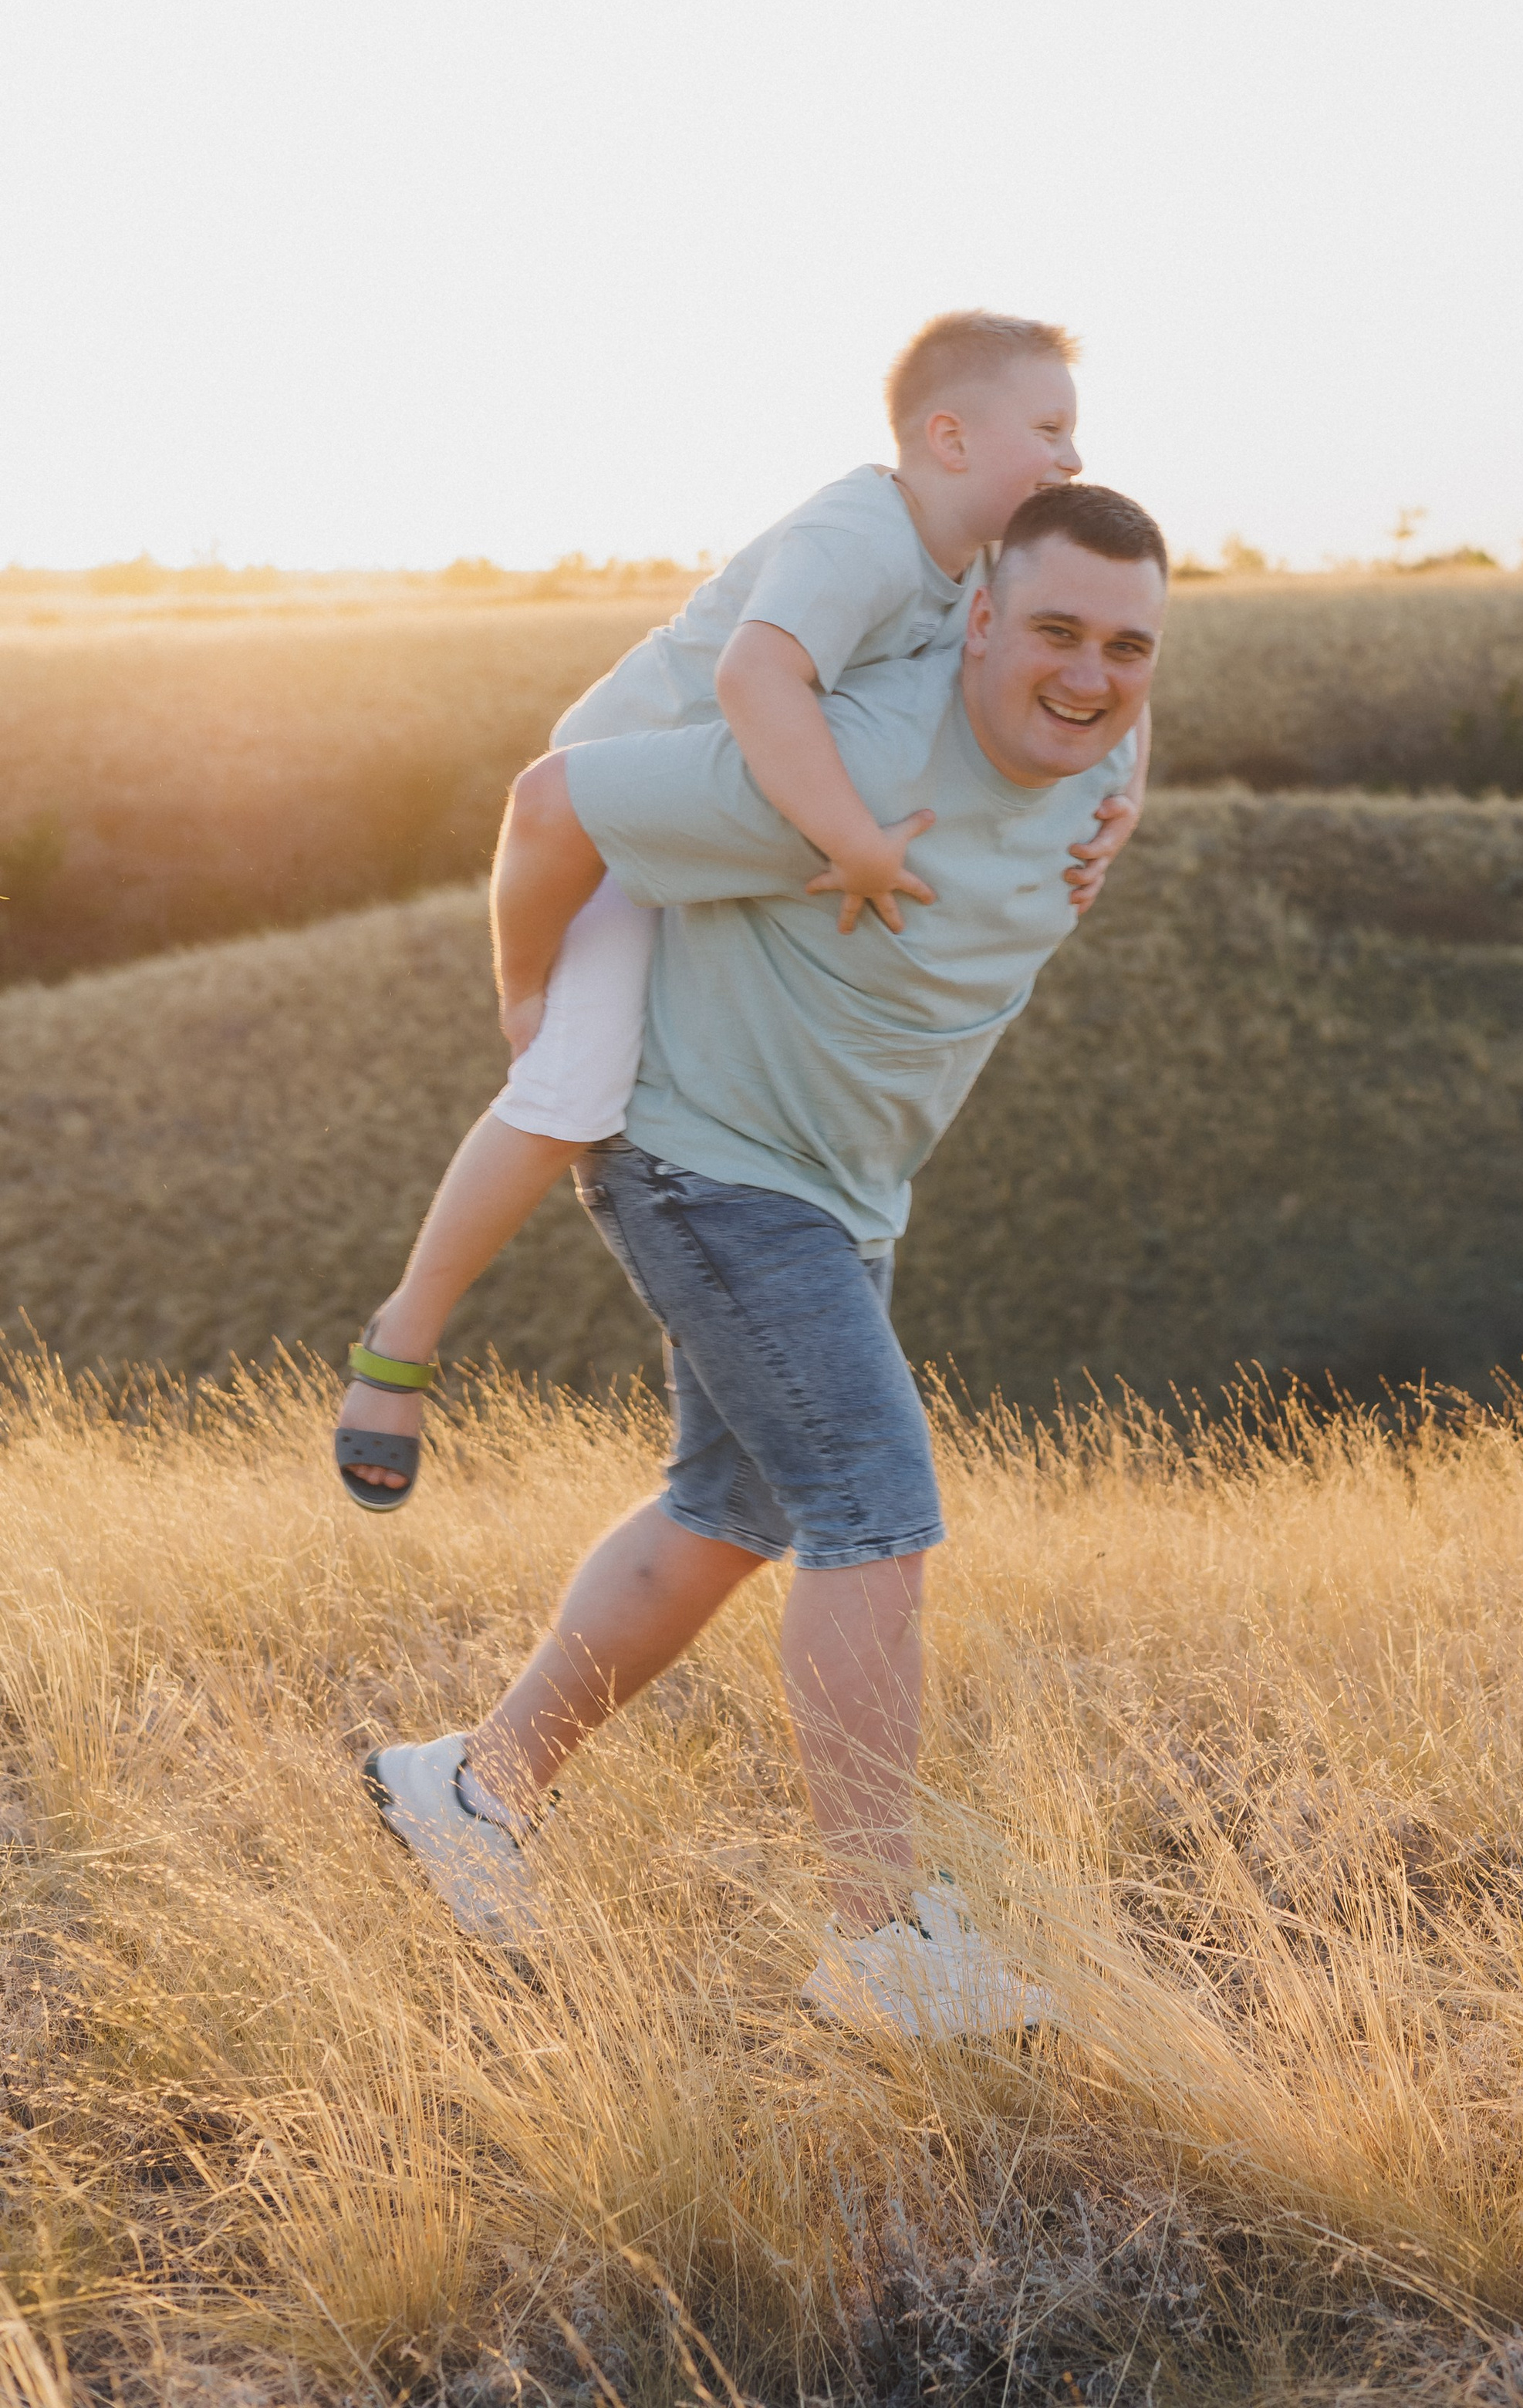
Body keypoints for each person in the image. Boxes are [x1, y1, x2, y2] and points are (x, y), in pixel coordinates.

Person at [360, 484, 1168, 2037]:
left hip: (842, 1189)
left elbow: (1113, 695)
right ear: (975, 619)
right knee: (874, 1510)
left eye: (1125, 647)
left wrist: (1126, 779)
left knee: (728, 1505)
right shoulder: (837, 765)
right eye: (1051, 631)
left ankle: (470, 1787)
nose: (1088, 674)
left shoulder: (1106, 752)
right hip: (704, 1163)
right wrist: (529, 1010)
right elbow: (551, 805)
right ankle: (879, 1946)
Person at [333, 310, 1152, 1506]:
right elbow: (753, 677)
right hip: (627, 811)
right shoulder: (863, 532)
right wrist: (857, 844)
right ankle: (396, 1349)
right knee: (568, 1086)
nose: (1075, 456)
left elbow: (1121, 636)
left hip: (738, 826)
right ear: (950, 437)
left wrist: (1132, 792)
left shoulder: (982, 553)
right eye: (1050, 428)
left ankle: (716, 1476)